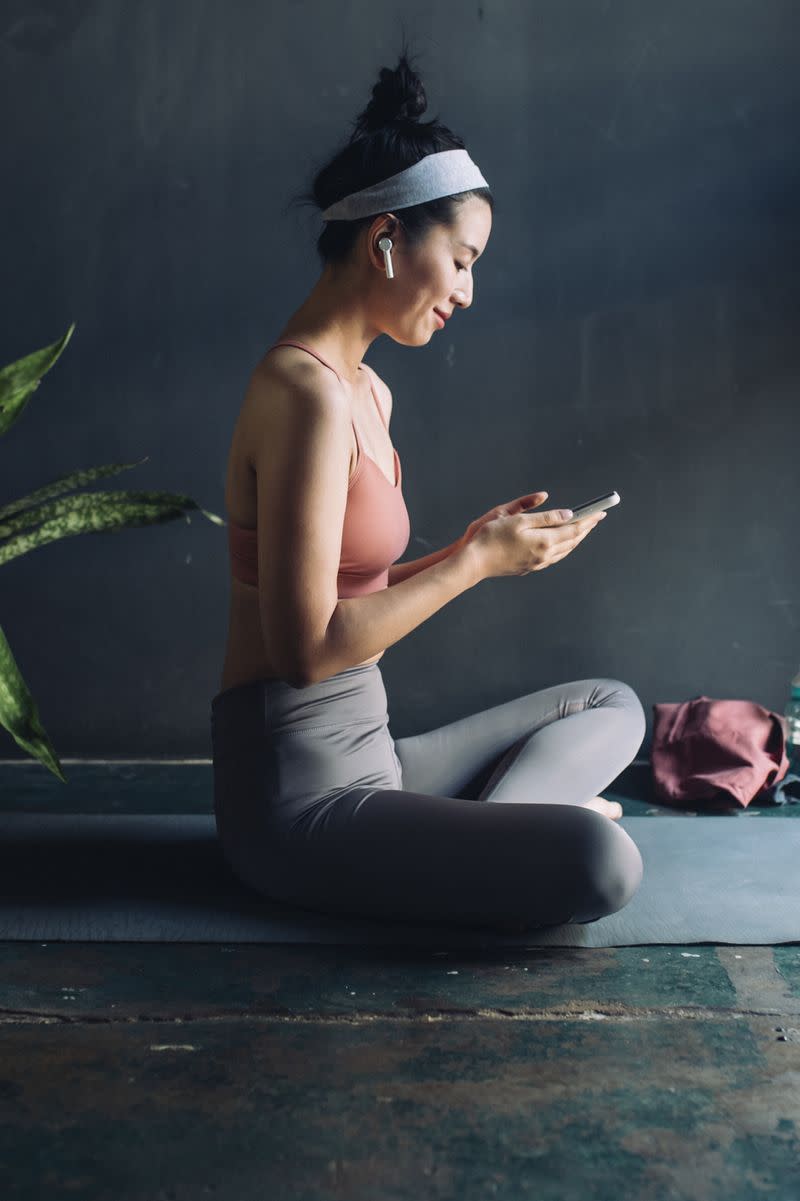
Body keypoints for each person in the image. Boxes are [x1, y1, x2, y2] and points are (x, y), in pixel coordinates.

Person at [210, 48, 645, 932]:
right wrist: (474, 565)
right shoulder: (304, 396)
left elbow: (352, 587)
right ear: (386, 241)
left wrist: (461, 548)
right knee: (601, 862)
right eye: (462, 259)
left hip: (375, 757)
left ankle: (494, 831)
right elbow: (305, 651)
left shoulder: (368, 389)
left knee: (613, 705)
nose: (469, 292)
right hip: (299, 802)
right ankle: (519, 830)